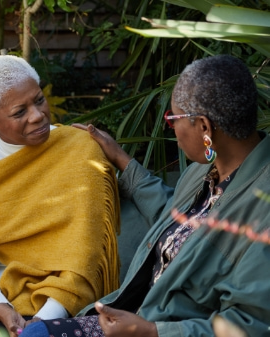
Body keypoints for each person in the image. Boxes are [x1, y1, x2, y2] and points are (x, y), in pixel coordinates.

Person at [20, 54, 270, 337]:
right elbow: (177, 221)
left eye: (172, 119)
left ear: (204, 127)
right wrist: (119, 158)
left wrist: (152, 331)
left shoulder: (264, 208)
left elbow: (251, 325)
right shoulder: (203, 173)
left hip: (160, 329)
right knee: (36, 333)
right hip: (136, 315)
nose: (172, 128)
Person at [0, 55, 121, 336]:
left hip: (68, 297)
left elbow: (86, 255)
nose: (37, 115)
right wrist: (0, 306)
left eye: (39, 100)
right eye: (20, 112)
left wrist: (44, 321)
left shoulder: (80, 150)